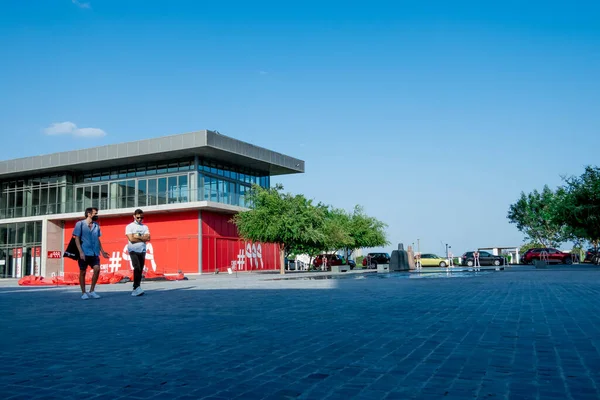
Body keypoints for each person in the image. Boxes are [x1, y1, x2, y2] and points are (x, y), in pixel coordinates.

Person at [73, 207, 109, 300]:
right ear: (89, 214)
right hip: (84, 252)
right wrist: (80, 252)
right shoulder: (80, 224)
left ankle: (92, 290)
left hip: (94, 253)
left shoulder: (96, 225)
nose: (97, 215)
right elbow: (76, 238)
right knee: (82, 271)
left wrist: (103, 251)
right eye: (95, 213)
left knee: (97, 269)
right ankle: (83, 292)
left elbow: (97, 239)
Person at [126, 209, 151, 296]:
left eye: (142, 217)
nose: (140, 219)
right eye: (138, 217)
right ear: (134, 216)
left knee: (140, 269)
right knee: (136, 267)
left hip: (142, 250)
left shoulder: (145, 227)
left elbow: (148, 238)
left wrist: (137, 235)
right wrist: (142, 237)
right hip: (133, 250)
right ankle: (135, 287)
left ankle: (138, 287)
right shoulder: (129, 226)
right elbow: (131, 239)